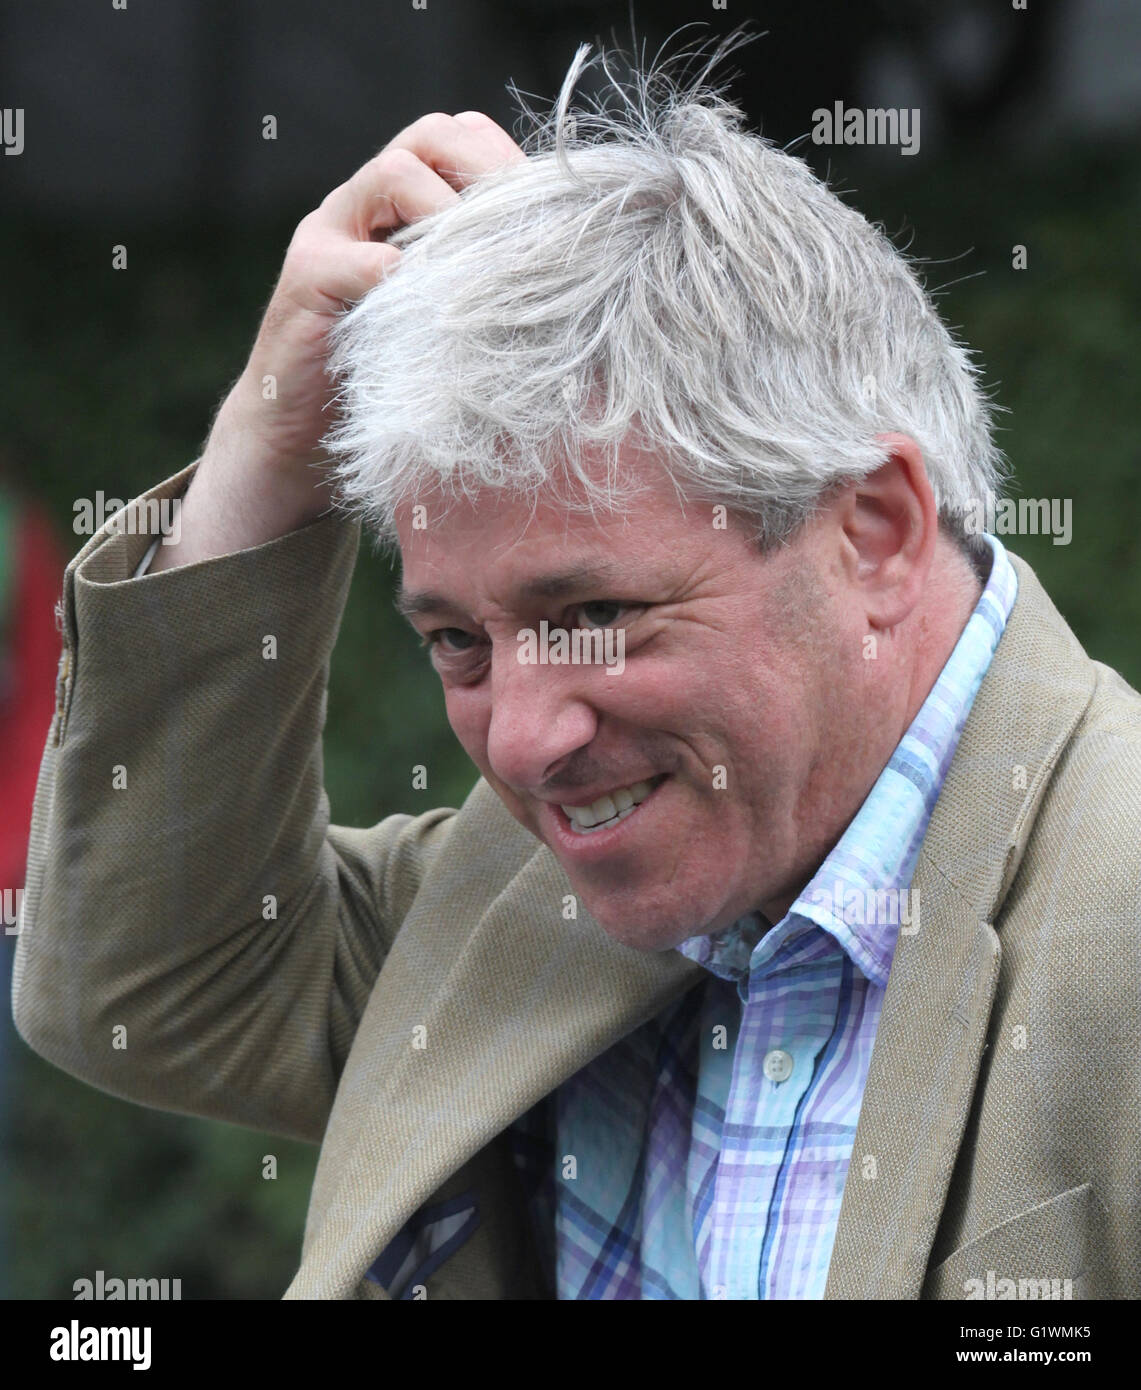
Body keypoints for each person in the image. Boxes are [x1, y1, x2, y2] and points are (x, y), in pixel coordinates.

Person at [11, 38, 1140, 1301]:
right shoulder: (527, 894)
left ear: (872, 533)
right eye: (457, 642)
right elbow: (147, 984)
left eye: (595, 612)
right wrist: (272, 438)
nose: (524, 743)